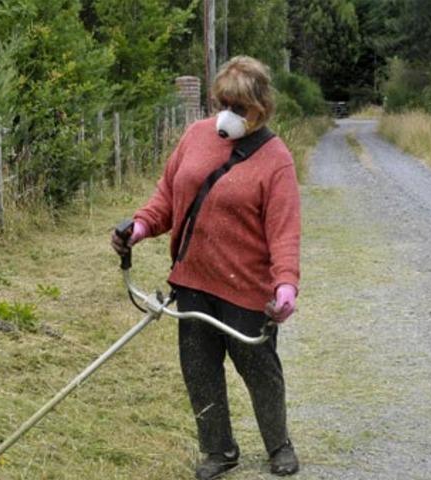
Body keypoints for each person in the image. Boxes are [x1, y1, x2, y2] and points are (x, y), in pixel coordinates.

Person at [111, 56, 301, 479]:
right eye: (224, 103)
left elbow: (284, 230)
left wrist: (285, 285)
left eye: (240, 108)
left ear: (261, 109)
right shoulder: (195, 137)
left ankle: (279, 444)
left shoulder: (275, 158)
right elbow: (167, 199)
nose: (228, 115)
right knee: (199, 372)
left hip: (247, 288)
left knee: (260, 371)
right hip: (193, 280)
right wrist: (139, 227)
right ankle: (218, 450)